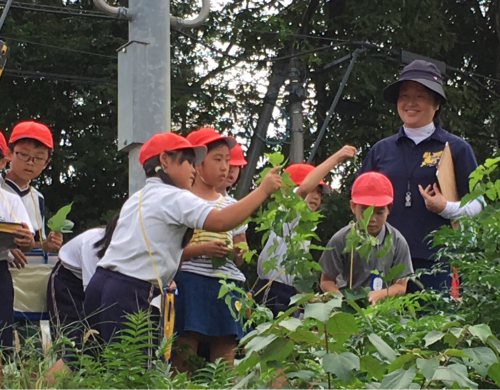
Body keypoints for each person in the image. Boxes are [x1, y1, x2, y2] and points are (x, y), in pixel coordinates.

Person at [83, 131, 281, 354]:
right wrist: (263, 190)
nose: (194, 170)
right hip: (131, 291)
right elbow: (221, 220)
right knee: (131, 370)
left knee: (84, 362)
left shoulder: (138, 198)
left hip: (100, 285)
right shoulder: (173, 196)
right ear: (165, 160)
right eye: (189, 162)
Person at [358, 60, 482, 293]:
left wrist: (446, 208)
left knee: (435, 327)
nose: (410, 103)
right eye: (404, 96)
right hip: (385, 260)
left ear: (437, 104)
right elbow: (359, 201)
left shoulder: (456, 148)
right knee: (384, 326)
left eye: (420, 96)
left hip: (436, 262)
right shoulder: (381, 150)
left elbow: (478, 204)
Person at [173, 128, 249, 371]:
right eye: (217, 160)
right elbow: (167, 252)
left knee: (225, 353)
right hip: (190, 281)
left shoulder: (232, 205)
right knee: (184, 352)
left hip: (227, 282)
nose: (225, 167)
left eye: (228, 160)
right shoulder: (180, 201)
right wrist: (201, 249)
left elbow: (242, 250)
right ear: (197, 163)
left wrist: (239, 254)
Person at [254, 145, 356, 317]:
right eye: (313, 189)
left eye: (319, 192)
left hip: (288, 293)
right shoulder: (287, 212)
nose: (316, 196)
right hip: (271, 290)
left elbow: (294, 280)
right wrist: (337, 157)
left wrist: (314, 300)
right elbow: (302, 190)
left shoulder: (305, 227)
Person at [319, 172, 413, 305]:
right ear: (353, 207)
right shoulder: (340, 239)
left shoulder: (397, 241)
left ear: (389, 210)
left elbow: (401, 286)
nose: (372, 219)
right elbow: (326, 281)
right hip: (348, 310)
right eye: (365, 211)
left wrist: (381, 294)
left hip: (383, 313)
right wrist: (341, 300)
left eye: (379, 212)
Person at [47, 213, 120, 345]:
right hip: (67, 281)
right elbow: (94, 294)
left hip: (104, 286)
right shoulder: (93, 243)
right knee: (69, 341)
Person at [1, 121, 63, 253]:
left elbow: (33, 245)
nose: (30, 163)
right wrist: (6, 250)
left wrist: (47, 244)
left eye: (39, 158)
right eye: (23, 154)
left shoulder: (37, 198)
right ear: (9, 153)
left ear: (46, 163)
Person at [0, 130, 35, 355]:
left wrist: (26, 240)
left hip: (0, 269)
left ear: (3, 160)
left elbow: (29, 243)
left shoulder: (9, 199)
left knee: (3, 341)